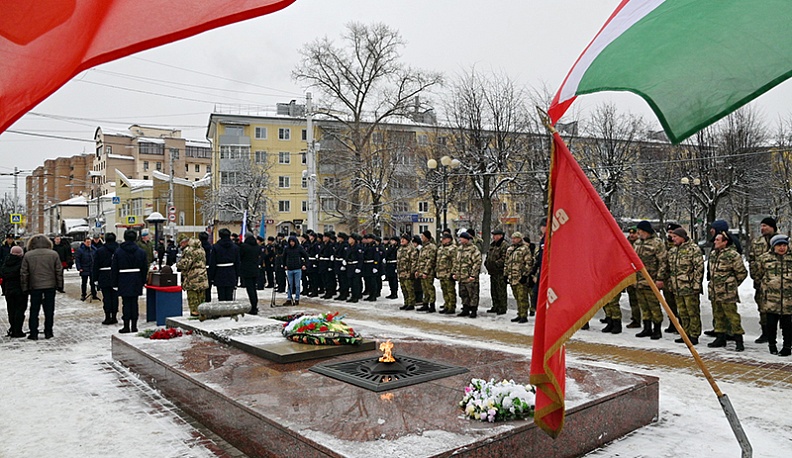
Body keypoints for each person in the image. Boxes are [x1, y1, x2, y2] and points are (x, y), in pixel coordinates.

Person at [707, 230, 748, 351]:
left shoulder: (733, 255)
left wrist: (732, 284)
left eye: (717, 240)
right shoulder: (714, 254)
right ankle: (720, 337)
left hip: (727, 292)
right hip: (715, 290)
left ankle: (738, 339)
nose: (715, 241)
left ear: (725, 242)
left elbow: (742, 273)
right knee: (717, 314)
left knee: (732, 316)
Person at [754, 234, 792, 356]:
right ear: (773, 246)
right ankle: (772, 345)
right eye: (779, 245)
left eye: (784, 245)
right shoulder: (764, 259)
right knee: (771, 324)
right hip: (770, 298)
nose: (782, 248)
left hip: (788, 299)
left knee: (787, 324)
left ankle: (787, 346)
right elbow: (757, 275)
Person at [21, 234, 64, 340]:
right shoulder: (53, 254)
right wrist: (59, 285)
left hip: (35, 287)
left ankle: (33, 333)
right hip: (50, 286)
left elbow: (24, 273)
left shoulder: (28, 255)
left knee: (34, 310)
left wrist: (25, 287)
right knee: (49, 310)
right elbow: (59, 271)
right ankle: (48, 332)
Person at [666, 227, 704, 344]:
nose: (673, 239)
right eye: (672, 237)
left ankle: (694, 334)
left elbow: (699, 268)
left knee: (692, 312)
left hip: (689, 287)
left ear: (682, 237)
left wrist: (696, 284)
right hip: (677, 287)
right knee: (682, 312)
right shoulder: (673, 251)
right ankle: (685, 333)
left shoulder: (693, 249)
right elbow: (670, 269)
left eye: (675, 237)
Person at [633, 221, 668, 340]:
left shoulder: (657, 243)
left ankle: (657, 329)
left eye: (640, 231)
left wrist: (660, 278)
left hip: (651, 280)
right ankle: (646, 328)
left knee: (654, 305)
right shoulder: (637, 243)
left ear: (646, 231)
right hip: (639, 280)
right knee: (643, 305)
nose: (638, 233)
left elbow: (663, 262)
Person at [113, 230, 148, 333]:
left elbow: (114, 268)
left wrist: (114, 283)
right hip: (136, 278)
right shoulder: (141, 252)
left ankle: (126, 325)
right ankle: (134, 326)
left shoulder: (119, 252)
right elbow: (144, 268)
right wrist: (142, 281)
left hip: (123, 279)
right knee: (134, 302)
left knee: (126, 303)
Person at [749, 217, 777, 344]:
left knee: (782, 311)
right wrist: (755, 277)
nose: (762, 228)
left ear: (772, 227)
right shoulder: (757, 242)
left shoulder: (782, 241)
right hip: (761, 283)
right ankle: (765, 333)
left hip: (778, 282)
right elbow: (752, 260)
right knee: (763, 308)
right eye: (761, 226)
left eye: (765, 225)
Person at [505, 231, 533, 324]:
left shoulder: (525, 249)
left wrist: (525, 275)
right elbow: (507, 263)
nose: (513, 240)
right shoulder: (510, 249)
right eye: (512, 238)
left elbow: (529, 263)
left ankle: (524, 315)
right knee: (516, 296)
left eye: (516, 238)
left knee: (522, 297)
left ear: (520, 239)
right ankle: (519, 313)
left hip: (520, 277)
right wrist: (505, 274)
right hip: (512, 277)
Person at [176, 238, 209, 317]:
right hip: (202, 275)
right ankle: (202, 313)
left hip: (192, 276)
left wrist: (178, 264)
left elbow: (186, 264)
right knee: (201, 295)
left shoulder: (189, 250)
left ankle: (194, 312)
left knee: (192, 295)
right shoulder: (201, 249)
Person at [92, 232, 120, 325]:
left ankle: (108, 317)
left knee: (107, 297)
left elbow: (95, 265)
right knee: (115, 297)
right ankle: (115, 316)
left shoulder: (100, 251)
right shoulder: (118, 250)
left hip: (104, 275)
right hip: (116, 275)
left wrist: (95, 279)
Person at [454, 232, 482, 318]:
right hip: (461, 277)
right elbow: (456, 262)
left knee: (473, 294)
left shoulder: (473, 249)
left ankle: (473, 310)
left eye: (462, 238)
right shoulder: (459, 249)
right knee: (463, 294)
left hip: (470, 277)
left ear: (466, 239)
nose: (460, 240)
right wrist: (455, 273)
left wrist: (473, 275)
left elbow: (477, 263)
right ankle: (465, 309)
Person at [1, 245, 28, 337]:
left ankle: (12, 328)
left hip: (8, 290)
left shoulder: (6, 262)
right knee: (20, 310)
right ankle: (18, 330)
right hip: (20, 290)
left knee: (11, 310)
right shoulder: (22, 263)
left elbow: (3, 275)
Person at [208, 228, 240, 301]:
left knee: (221, 296)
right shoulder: (235, 247)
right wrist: (237, 275)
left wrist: (211, 277)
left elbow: (212, 263)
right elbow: (238, 263)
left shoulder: (215, 247)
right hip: (231, 272)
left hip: (219, 273)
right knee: (229, 296)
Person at [662, 223, 682, 333]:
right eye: (668, 233)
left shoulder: (679, 245)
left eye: (672, 233)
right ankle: (672, 323)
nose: (670, 235)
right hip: (667, 279)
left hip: (678, 280)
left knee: (679, 304)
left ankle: (681, 325)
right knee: (669, 303)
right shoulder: (665, 245)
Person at [485, 229, 509, 315]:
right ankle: (495, 306)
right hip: (493, 272)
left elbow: (504, 258)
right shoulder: (492, 245)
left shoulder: (504, 245)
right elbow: (489, 255)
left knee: (501, 290)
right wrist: (487, 263)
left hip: (500, 272)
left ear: (500, 236)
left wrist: (495, 264)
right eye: (493, 235)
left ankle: (502, 307)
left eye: (495, 235)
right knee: (494, 290)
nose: (494, 237)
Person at [282, 235, 308, 306]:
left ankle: (297, 299)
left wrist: (304, 264)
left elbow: (306, 256)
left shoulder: (299, 248)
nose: (291, 243)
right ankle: (289, 299)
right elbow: (283, 257)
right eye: (290, 242)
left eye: (293, 242)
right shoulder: (287, 249)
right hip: (289, 269)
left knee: (297, 285)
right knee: (290, 284)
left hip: (297, 268)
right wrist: (284, 265)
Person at [415, 231, 437, 313]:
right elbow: (420, 260)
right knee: (424, 289)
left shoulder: (432, 247)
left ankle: (432, 305)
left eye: (423, 236)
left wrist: (426, 272)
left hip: (428, 272)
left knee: (429, 288)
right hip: (422, 271)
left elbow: (430, 261)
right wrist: (418, 270)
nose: (421, 238)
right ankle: (425, 304)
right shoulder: (423, 247)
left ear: (427, 237)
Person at [239, 234, 261, 314]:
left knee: (250, 289)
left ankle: (253, 307)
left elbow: (240, 257)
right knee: (253, 289)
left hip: (246, 270)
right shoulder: (257, 247)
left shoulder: (244, 247)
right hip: (255, 270)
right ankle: (254, 305)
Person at [529, 218, 547, 317]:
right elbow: (540, 256)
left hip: (548, 271)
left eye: (544, 226)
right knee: (536, 292)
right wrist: (534, 270)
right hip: (541, 269)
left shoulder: (549, 238)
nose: (542, 228)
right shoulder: (543, 239)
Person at [435, 233, 457, 314]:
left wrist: (453, 272)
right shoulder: (441, 248)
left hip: (448, 273)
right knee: (444, 290)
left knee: (450, 291)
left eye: (444, 239)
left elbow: (455, 261)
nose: (442, 240)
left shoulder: (453, 248)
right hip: (441, 273)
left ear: (449, 239)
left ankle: (452, 307)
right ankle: (446, 305)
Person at [625, 227, 642, 328]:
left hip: (640, 277)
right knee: (633, 299)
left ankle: (645, 321)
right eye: (630, 233)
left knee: (641, 300)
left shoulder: (640, 244)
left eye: (634, 233)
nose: (632, 235)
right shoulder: (625, 243)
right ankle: (635, 319)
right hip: (629, 276)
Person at [397, 234, 419, 311]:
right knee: (403, 289)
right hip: (401, 272)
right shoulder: (400, 249)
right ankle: (406, 302)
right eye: (401, 239)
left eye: (404, 239)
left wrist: (412, 272)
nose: (402, 241)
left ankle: (411, 303)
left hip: (408, 272)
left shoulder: (411, 249)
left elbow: (414, 262)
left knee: (409, 289)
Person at [74, 236, 98, 301]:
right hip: (84, 268)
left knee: (93, 282)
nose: (88, 243)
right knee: (84, 282)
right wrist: (79, 268)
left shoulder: (93, 249)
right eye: (87, 242)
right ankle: (83, 294)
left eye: (89, 242)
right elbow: (77, 259)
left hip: (92, 268)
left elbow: (96, 258)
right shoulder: (80, 250)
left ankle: (94, 294)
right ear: (84, 242)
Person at [345, 233, 364, 303]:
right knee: (351, 283)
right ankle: (352, 296)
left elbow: (361, 258)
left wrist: (359, 267)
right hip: (349, 266)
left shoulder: (358, 247)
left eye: (350, 239)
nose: (349, 240)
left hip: (355, 266)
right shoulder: (349, 247)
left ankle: (356, 296)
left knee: (356, 283)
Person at [362, 234, 381, 302]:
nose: (368, 240)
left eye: (369, 239)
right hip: (366, 265)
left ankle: (373, 295)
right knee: (368, 281)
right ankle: (370, 294)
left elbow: (376, 257)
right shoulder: (367, 246)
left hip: (372, 265)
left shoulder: (375, 247)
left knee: (373, 281)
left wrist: (375, 266)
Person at [319, 232, 337, 299]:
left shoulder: (330, 245)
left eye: (325, 237)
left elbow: (331, 257)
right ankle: (326, 291)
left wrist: (330, 266)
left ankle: (330, 292)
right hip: (322, 264)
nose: (323, 238)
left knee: (329, 279)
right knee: (324, 279)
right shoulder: (322, 244)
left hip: (327, 264)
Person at [334, 232, 350, 301]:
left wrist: (344, 264)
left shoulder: (345, 245)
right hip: (338, 263)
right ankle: (341, 293)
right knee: (340, 280)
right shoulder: (338, 244)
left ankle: (345, 294)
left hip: (342, 263)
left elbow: (346, 255)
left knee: (344, 280)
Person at [198, 231, 213, 302]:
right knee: (208, 288)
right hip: (209, 269)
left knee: (200, 288)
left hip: (200, 269)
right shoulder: (211, 247)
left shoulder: (198, 248)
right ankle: (208, 301)